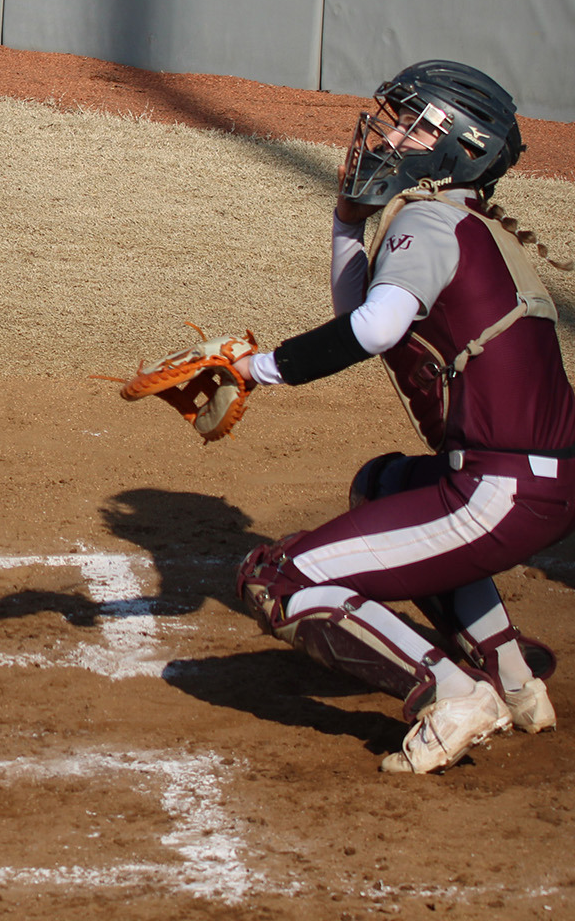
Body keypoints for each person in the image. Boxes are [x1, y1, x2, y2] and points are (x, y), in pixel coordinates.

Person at [232, 60, 569, 774]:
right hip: (530, 483)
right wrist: (346, 223)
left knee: (278, 580)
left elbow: (377, 329)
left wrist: (260, 369)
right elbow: (363, 316)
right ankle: (514, 681)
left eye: (411, 123)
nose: (388, 135)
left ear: (458, 143)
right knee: (383, 485)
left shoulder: (428, 218)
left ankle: (452, 693)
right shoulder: (469, 224)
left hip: (497, 492)